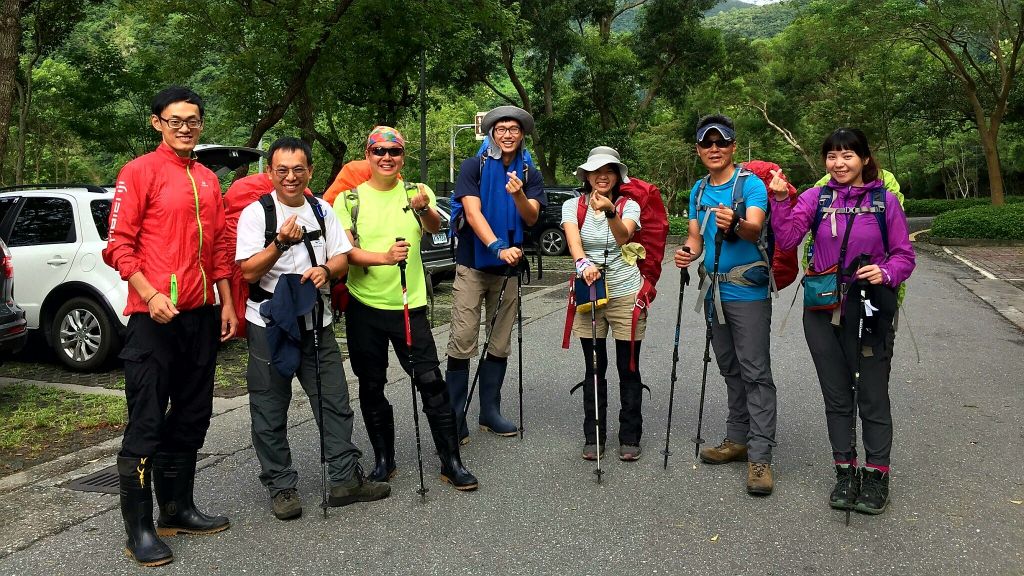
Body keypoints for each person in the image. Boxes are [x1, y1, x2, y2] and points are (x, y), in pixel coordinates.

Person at [102, 86, 237, 567]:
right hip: (153, 317)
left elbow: (220, 246)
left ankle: (176, 509)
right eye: (175, 120)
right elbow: (118, 245)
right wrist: (151, 292)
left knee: (193, 415)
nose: (185, 127)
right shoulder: (138, 172)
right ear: (157, 122)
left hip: (200, 315)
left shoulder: (206, 179)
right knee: (147, 421)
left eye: (193, 119)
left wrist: (225, 301)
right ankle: (138, 529)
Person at [236, 137, 391, 520]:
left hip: (317, 324)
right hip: (269, 326)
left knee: (335, 402)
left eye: (298, 169)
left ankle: (344, 480)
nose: (290, 177)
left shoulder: (322, 210)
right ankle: (282, 487)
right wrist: (279, 244)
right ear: (270, 172)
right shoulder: (257, 215)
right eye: (282, 170)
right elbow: (249, 271)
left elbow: (341, 258)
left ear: (310, 171)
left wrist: (325, 270)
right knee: (270, 408)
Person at [769, 128, 915, 515]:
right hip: (821, 309)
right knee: (836, 395)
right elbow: (786, 239)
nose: (839, 163)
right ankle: (845, 471)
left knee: (872, 394)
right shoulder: (817, 198)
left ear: (865, 159)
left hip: (869, 308)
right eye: (832, 156)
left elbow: (904, 255)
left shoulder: (884, 202)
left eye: (848, 155)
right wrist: (782, 200)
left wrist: (884, 273)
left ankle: (877, 475)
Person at [335, 126, 478, 491]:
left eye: (394, 152)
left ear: (402, 158)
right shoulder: (349, 200)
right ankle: (384, 460)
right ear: (367, 156)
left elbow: (434, 228)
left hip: (408, 305)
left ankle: (451, 461)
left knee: (431, 383)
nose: (386, 157)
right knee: (371, 385)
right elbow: (346, 251)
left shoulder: (418, 192)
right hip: (364, 307)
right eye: (379, 151)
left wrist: (426, 208)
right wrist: (383, 258)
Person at [673, 114, 777, 496]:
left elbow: (754, 228)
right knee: (730, 367)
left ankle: (761, 456)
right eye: (706, 143)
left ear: (733, 146)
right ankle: (738, 439)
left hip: (747, 292)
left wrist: (733, 224)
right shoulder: (699, 190)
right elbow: (695, 239)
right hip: (713, 291)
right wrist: (686, 253)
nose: (714, 149)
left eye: (721, 142)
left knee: (755, 371)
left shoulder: (750, 186)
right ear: (699, 149)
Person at [445, 105, 545, 444]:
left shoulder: (529, 172)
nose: (507, 134)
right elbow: (472, 214)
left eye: (513, 129)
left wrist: (518, 195)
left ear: (521, 134)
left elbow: (532, 218)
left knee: (499, 342)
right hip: (474, 263)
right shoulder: (473, 166)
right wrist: (497, 246)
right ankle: (454, 416)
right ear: (491, 132)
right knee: (462, 339)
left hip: (509, 269)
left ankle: (489, 411)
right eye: (500, 128)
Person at [561, 147, 647, 461]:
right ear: (586, 176)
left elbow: (624, 237)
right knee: (595, 367)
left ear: (616, 176)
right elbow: (573, 241)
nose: (602, 176)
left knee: (628, 366)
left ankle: (630, 435)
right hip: (590, 292)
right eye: (595, 171)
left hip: (626, 293)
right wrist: (583, 264)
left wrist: (611, 211)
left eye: (608, 170)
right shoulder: (572, 205)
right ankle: (594, 434)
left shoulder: (629, 205)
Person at [223, 167, 313, 339]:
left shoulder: (244, 209)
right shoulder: (309, 204)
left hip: (257, 309)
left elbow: (228, 265)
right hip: (303, 307)